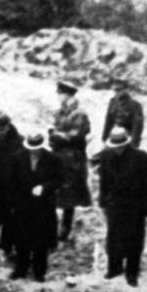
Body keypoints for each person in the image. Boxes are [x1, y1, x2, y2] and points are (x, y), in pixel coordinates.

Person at [94, 126, 147, 285]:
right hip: (115, 204)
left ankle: (132, 272)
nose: (117, 150)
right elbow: (104, 181)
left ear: (126, 144)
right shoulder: (106, 156)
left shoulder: (141, 157)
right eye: (115, 147)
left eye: (120, 146)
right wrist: (103, 201)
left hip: (135, 205)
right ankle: (114, 267)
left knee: (134, 240)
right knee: (114, 238)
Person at [8, 134, 64, 283]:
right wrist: (14, 202)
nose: (34, 152)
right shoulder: (18, 158)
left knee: (41, 241)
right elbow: (12, 181)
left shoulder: (53, 159)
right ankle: (21, 269)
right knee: (22, 240)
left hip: (43, 206)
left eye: (37, 149)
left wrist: (45, 188)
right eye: (31, 149)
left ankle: (39, 272)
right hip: (23, 205)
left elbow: (59, 180)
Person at [49, 80, 92, 243]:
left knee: (70, 195)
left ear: (67, 94)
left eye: (60, 94)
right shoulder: (60, 112)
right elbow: (54, 130)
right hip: (59, 156)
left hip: (73, 158)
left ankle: (65, 229)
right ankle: (54, 227)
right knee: (57, 191)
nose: (58, 97)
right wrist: (54, 135)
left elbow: (78, 133)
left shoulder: (79, 113)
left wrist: (60, 135)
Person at [0, 112, 23, 254]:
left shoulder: (19, 142)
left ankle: (6, 245)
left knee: (9, 218)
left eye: (0, 129)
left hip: (11, 187)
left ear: (8, 126)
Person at [102, 79, 145, 149]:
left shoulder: (135, 105)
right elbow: (108, 121)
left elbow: (137, 126)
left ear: (126, 90)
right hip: (113, 137)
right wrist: (104, 138)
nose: (116, 93)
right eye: (115, 90)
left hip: (126, 139)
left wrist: (134, 144)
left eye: (119, 90)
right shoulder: (112, 103)